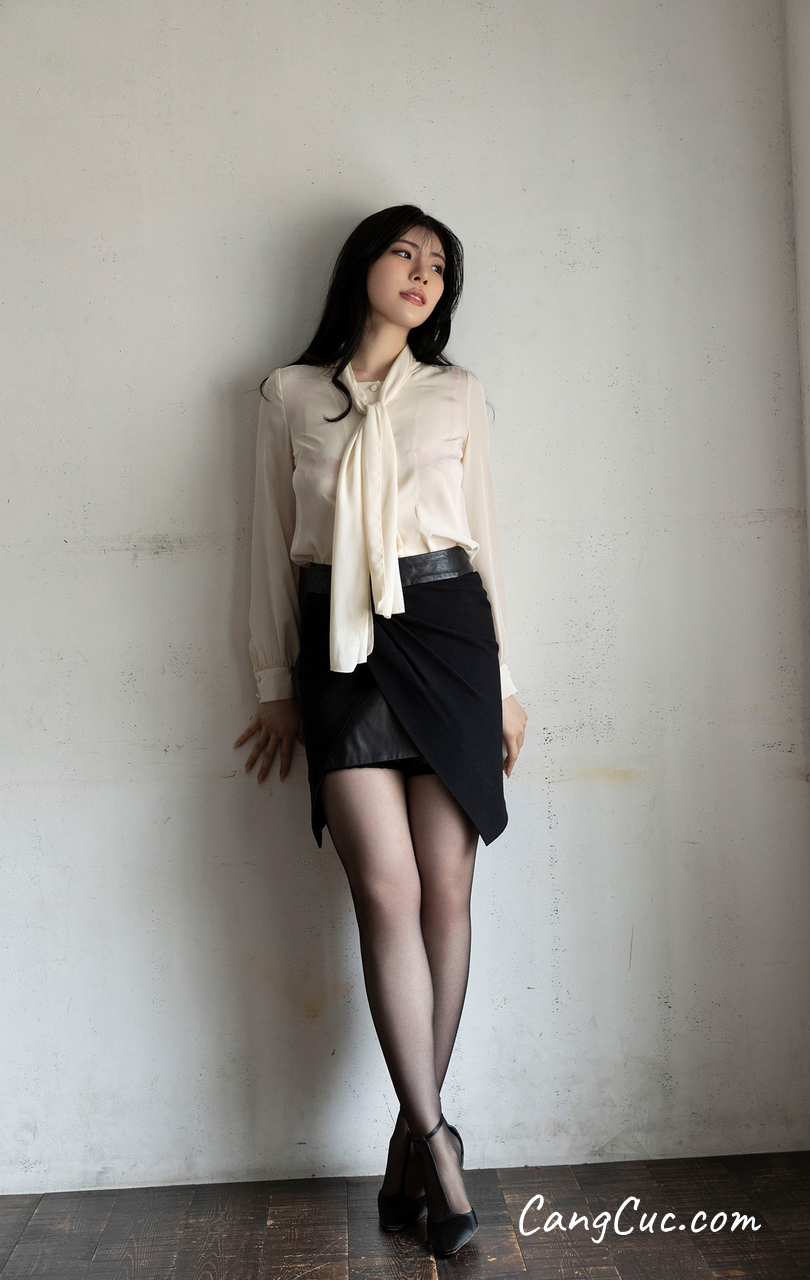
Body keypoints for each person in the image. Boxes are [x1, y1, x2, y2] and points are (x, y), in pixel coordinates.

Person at [234, 204, 527, 1257]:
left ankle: (413, 1139)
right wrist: (274, 683)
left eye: (439, 264)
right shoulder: (289, 394)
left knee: (447, 888)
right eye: (405, 252)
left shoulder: (457, 391)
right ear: (362, 263)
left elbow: (485, 539)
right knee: (385, 890)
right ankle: (439, 1141)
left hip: (449, 639)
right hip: (340, 649)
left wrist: (505, 684)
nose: (421, 273)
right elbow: (268, 546)